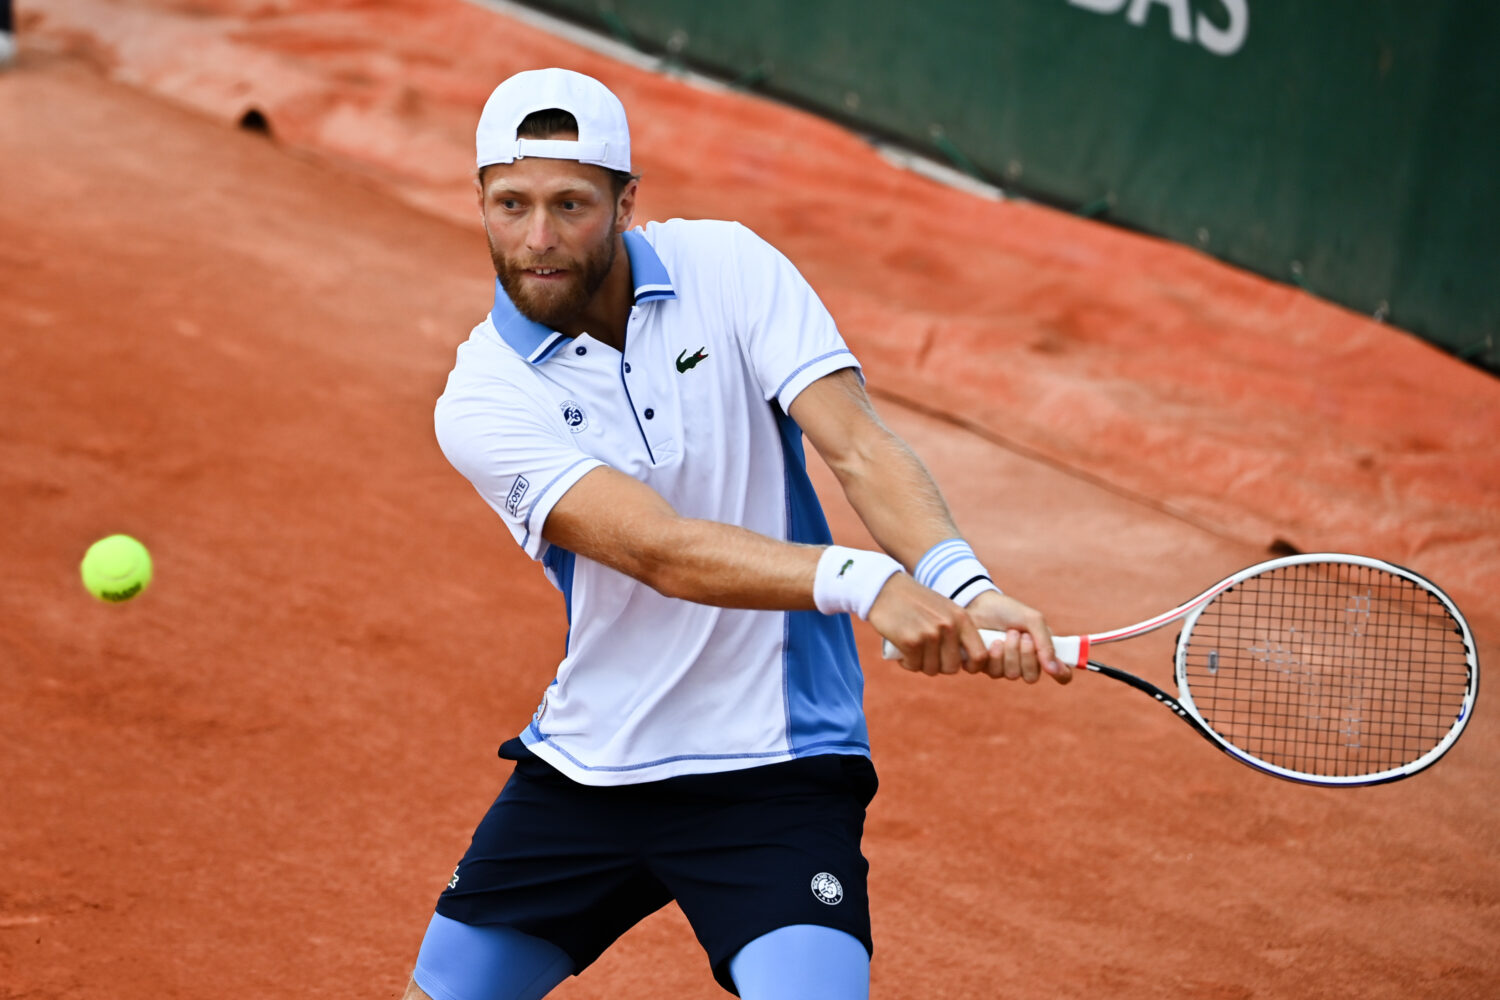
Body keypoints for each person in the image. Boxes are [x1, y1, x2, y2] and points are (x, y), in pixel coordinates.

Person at [408, 67, 1071, 1000]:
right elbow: (659, 551)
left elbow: (860, 447)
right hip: (592, 765)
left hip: (780, 764)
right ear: (478, 201)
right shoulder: (483, 398)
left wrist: (964, 584)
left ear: (627, 201)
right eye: (510, 204)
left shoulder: (731, 268)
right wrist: (866, 581)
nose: (539, 238)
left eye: (572, 203)